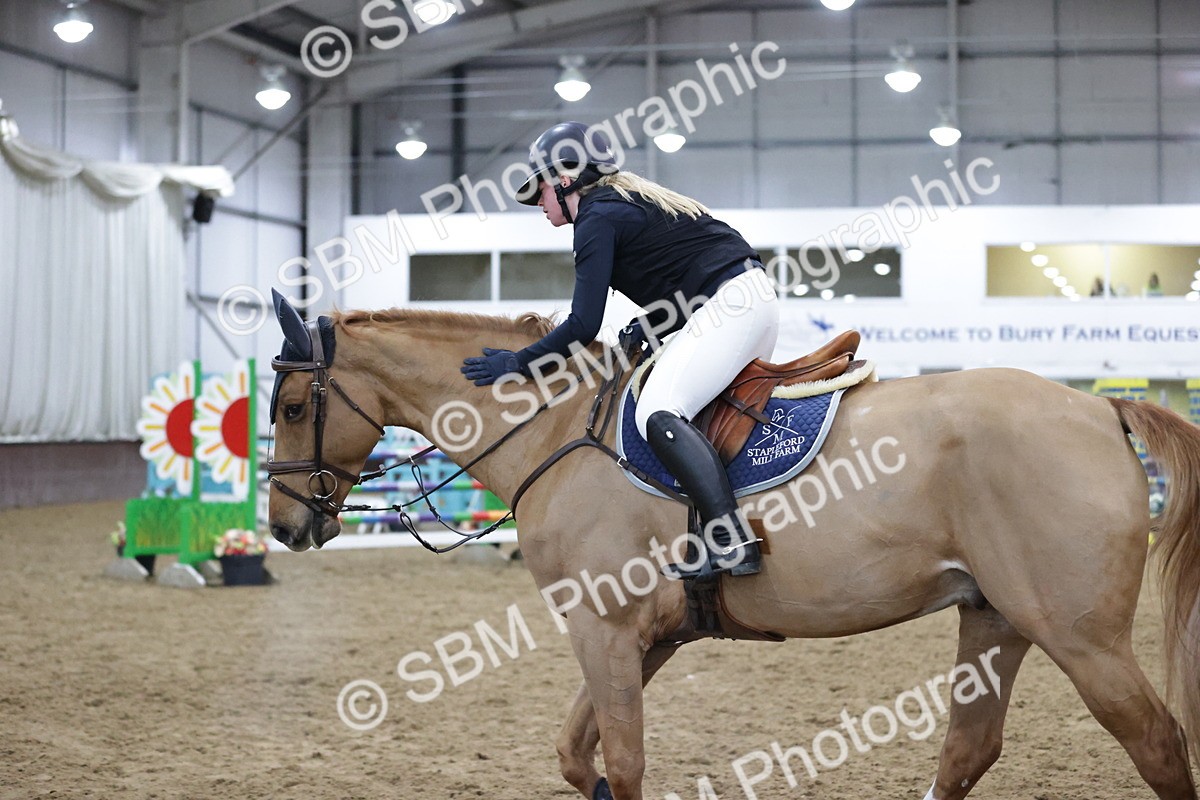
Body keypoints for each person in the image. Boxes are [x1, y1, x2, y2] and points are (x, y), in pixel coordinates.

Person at [460, 121, 779, 580]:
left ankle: (730, 540)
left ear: (566, 179)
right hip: (745, 302)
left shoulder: (596, 217)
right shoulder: (626, 204)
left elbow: (583, 324)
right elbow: (689, 279)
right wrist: (651, 322)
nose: (539, 204)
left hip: (731, 307)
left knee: (658, 411)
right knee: (685, 409)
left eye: (542, 192)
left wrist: (517, 364)